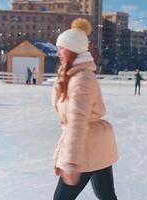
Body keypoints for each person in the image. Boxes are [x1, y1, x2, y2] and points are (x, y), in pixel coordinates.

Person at [51, 18, 119, 200]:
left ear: (73, 50)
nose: (58, 52)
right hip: (95, 145)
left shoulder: (81, 79)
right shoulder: (72, 74)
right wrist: (63, 73)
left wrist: (72, 161)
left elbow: (77, 121)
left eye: (61, 48)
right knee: (106, 196)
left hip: (85, 147)